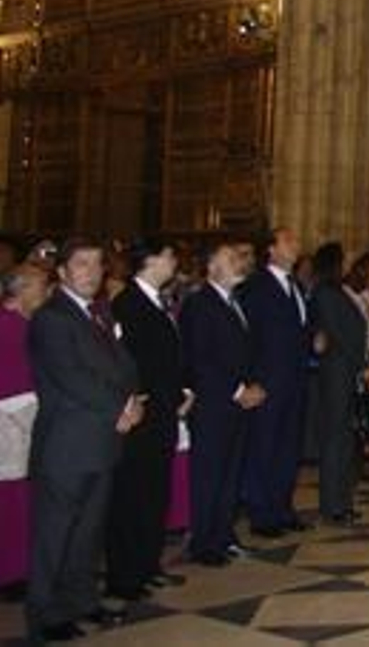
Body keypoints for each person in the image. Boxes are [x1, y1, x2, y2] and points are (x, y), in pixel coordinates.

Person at [26, 240, 143, 641]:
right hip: (67, 445)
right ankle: (45, 615)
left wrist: (135, 399)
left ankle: (80, 602)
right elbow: (72, 377)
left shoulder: (99, 312)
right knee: (56, 535)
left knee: (88, 533)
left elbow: (124, 363)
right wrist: (119, 409)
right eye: (81, 264)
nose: (92, 272)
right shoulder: (51, 318)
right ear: (62, 272)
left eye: (97, 264)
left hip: (102, 441)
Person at [105, 242, 188, 607]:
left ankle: (146, 564)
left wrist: (184, 388)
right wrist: (134, 397)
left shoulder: (159, 300)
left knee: (155, 492)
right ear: (149, 260)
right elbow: (123, 359)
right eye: (168, 255)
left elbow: (170, 355)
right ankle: (125, 576)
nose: (173, 262)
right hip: (143, 413)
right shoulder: (127, 303)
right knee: (132, 495)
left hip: (165, 410)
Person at [182, 243, 266, 568]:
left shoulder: (234, 302)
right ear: (211, 268)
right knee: (210, 476)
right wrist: (236, 390)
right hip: (215, 405)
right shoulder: (199, 304)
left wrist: (253, 384)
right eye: (230, 259)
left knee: (230, 475)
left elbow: (244, 351)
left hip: (238, 403)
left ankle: (224, 535)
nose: (238, 264)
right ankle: (205, 543)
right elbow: (202, 359)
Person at [237, 227, 310, 539]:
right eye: (288, 241)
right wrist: (253, 380)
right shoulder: (257, 286)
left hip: (294, 379)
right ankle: (262, 512)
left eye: (296, 239)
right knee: (264, 447)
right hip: (267, 381)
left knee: (287, 448)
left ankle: (282, 507)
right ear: (271, 250)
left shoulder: (295, 286)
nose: (296, 245)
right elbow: (249, 337)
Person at [310, 243, 369, 525]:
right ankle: (332, 505)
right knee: (335, 440)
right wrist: (361, 363)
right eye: (346, 258)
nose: (350, 263)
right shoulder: (325, 293)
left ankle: (342, 500)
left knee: (344, 439)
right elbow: (339, 333)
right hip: (336, 373)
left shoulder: (339, 291)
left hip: (346, 371)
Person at [1, 263, 48, 594]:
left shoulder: (25, 325)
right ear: (21, 291)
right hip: (11, 429)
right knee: (12, 501)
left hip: (22, 424)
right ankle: (12, 574)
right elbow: (16, 390)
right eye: (41, 286)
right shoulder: (9, 328)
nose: (47, 293)